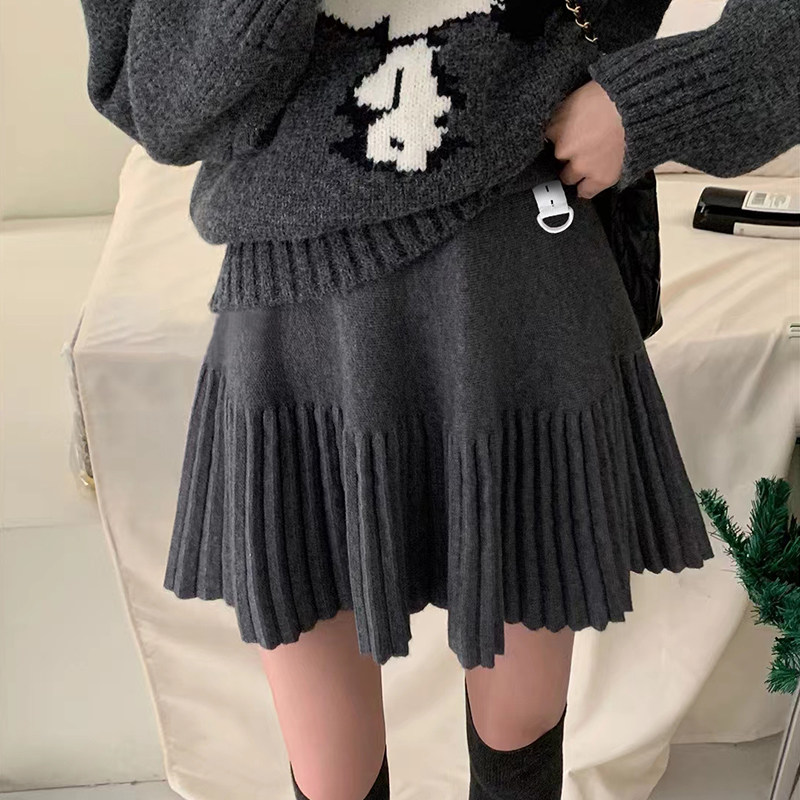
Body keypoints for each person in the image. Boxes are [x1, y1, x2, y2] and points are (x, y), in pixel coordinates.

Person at [78, 1, 798, 798]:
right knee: (330, 766)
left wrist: (664, 96)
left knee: (519, 736)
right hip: (292, 308)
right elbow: (164, 106)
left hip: (519, 278)